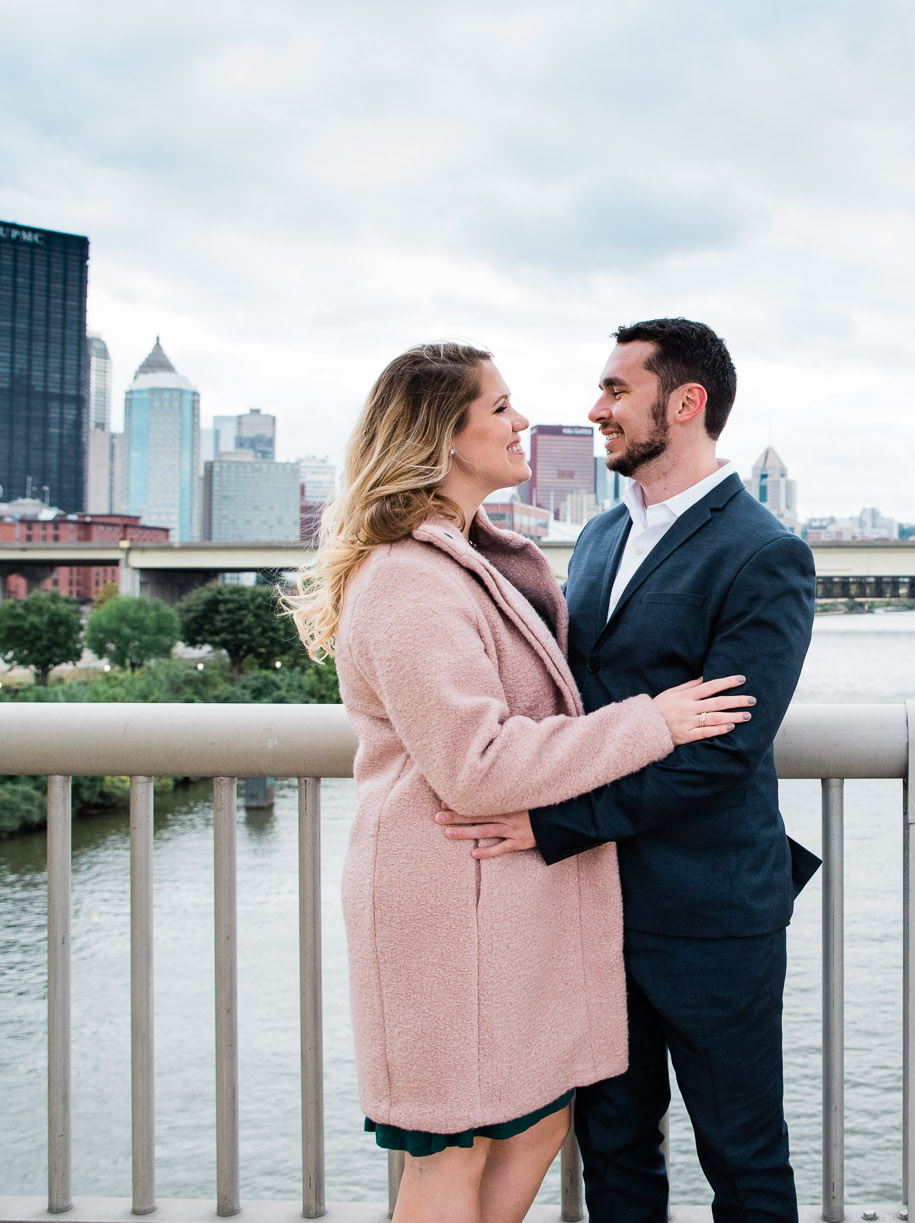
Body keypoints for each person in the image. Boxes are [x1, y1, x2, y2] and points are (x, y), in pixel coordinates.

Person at [287, 341, 757, 1223]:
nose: (524, 422)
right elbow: (479, 762)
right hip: (444, 903)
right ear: (443, 436)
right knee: (449, 1155)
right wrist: (650, 721)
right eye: (500, 407)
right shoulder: (408, 582)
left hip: (504, 907)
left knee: (534, 1126)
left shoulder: (481, 557)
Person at [438, 320, 819, 1223]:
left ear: (684, 404)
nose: (593, 408)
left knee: (743, 1155)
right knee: (613, 1150)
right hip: (595, 905)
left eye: (615, 390)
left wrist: (554, 825)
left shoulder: (766, 553)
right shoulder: (601, 535)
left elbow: (724, 750)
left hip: (711, 910)